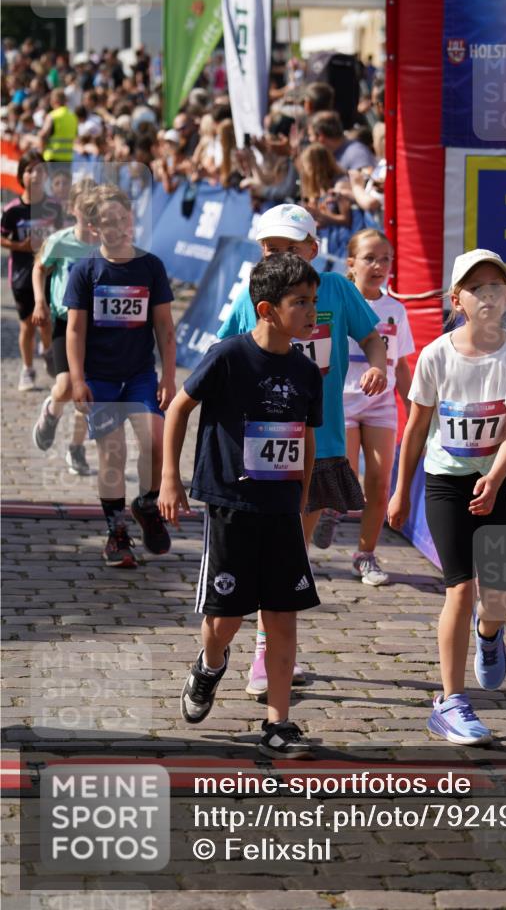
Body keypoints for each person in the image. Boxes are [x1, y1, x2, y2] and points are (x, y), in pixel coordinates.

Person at [216, 203, 387, 699]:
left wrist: (376, 364)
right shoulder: (256, 296)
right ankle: (251, 651)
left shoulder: (334, 289)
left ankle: (265, 656)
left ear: (313, 250)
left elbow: (372, 336)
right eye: (271, 249)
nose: (280, 257)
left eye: (291, 248)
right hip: (264, 450)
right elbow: (224, 351)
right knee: (275, 554)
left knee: (292, 552)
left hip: (321, 443)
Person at [160, 254, 323, 758]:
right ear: (267, 308)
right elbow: (179, 408)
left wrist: (305, 492)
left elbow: (306, 436)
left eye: (314, 301)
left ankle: (278, 723)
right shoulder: (228, 355)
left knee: (282, 616)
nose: (311, 311)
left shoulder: (304, 369)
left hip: (280, 509)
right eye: (301, 302)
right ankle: (210, 665)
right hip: (230, 504)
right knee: (226, 619)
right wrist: (170, 477)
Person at [388, 250, 506, 746]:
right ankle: (450, 702)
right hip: (445, 482)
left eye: (498, 286)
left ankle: (489, 636)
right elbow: (415, 429)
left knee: (497, 597)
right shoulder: (436, 356)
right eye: (478, 288)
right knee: (460, 587)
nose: (489, 295)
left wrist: (495, 478)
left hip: (493, 480)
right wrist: (399, 493)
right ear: (458, 300)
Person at [63, 185, 176, 567]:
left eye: (122, 220)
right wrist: (78, 380)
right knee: (113, 453)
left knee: (157, 441)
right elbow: (75, 331)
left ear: (132, 220)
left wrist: (169, 377)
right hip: (101, 379)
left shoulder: (151, 267)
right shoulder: (86, 270)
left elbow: (164, 327)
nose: (117, 228)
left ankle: (146, 506)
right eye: (107, 222)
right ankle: (117, 534)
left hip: (141, 375)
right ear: (94, 228)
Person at [344, 229, 414, 586]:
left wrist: (415, 408)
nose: (379, 266)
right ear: (351, 263)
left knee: (378, 482)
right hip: (341, 403)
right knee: (339, 478)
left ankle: (365, 554)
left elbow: (400, 365)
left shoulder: (395, 310)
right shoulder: (336, 303)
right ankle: (328, 511)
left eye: (385, 259)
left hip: (380, 407)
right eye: (370, 258)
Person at [31, 177, 98, 475]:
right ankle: (51, 411)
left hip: (95, 325)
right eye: (86, 207)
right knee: (64, 387)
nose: (91, 213)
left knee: (88, 389)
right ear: (73, 210)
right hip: (63, 320)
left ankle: (76, 449)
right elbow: (40, 268)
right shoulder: (61, 241)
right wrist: (39, 302)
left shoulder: (105, 243)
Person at [1, 149, 62, 390]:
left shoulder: (54, 207)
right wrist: (20, 245)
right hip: (22, 274)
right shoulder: (13, 210)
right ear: (21, 175)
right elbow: (2, 238)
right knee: (27, 323)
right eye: (29, 170)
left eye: (39, 169)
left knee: (46, 321)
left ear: (46, 174)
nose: (35, 175)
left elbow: (62, 234)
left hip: (49, 272)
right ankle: (27, 369)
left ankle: (47, 349)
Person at [309, 111, 376, 171]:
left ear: (321, 136)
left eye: (310, 135)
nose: (310, 139)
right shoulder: (326, 155)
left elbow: (367, 180)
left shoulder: (356, 154)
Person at [39, 88, 78, 164]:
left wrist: (41, 153)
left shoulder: (52, 116)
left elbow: (42, 135)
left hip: (52, 157)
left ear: (54, 100)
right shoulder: (73, 116)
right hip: (67, 158)